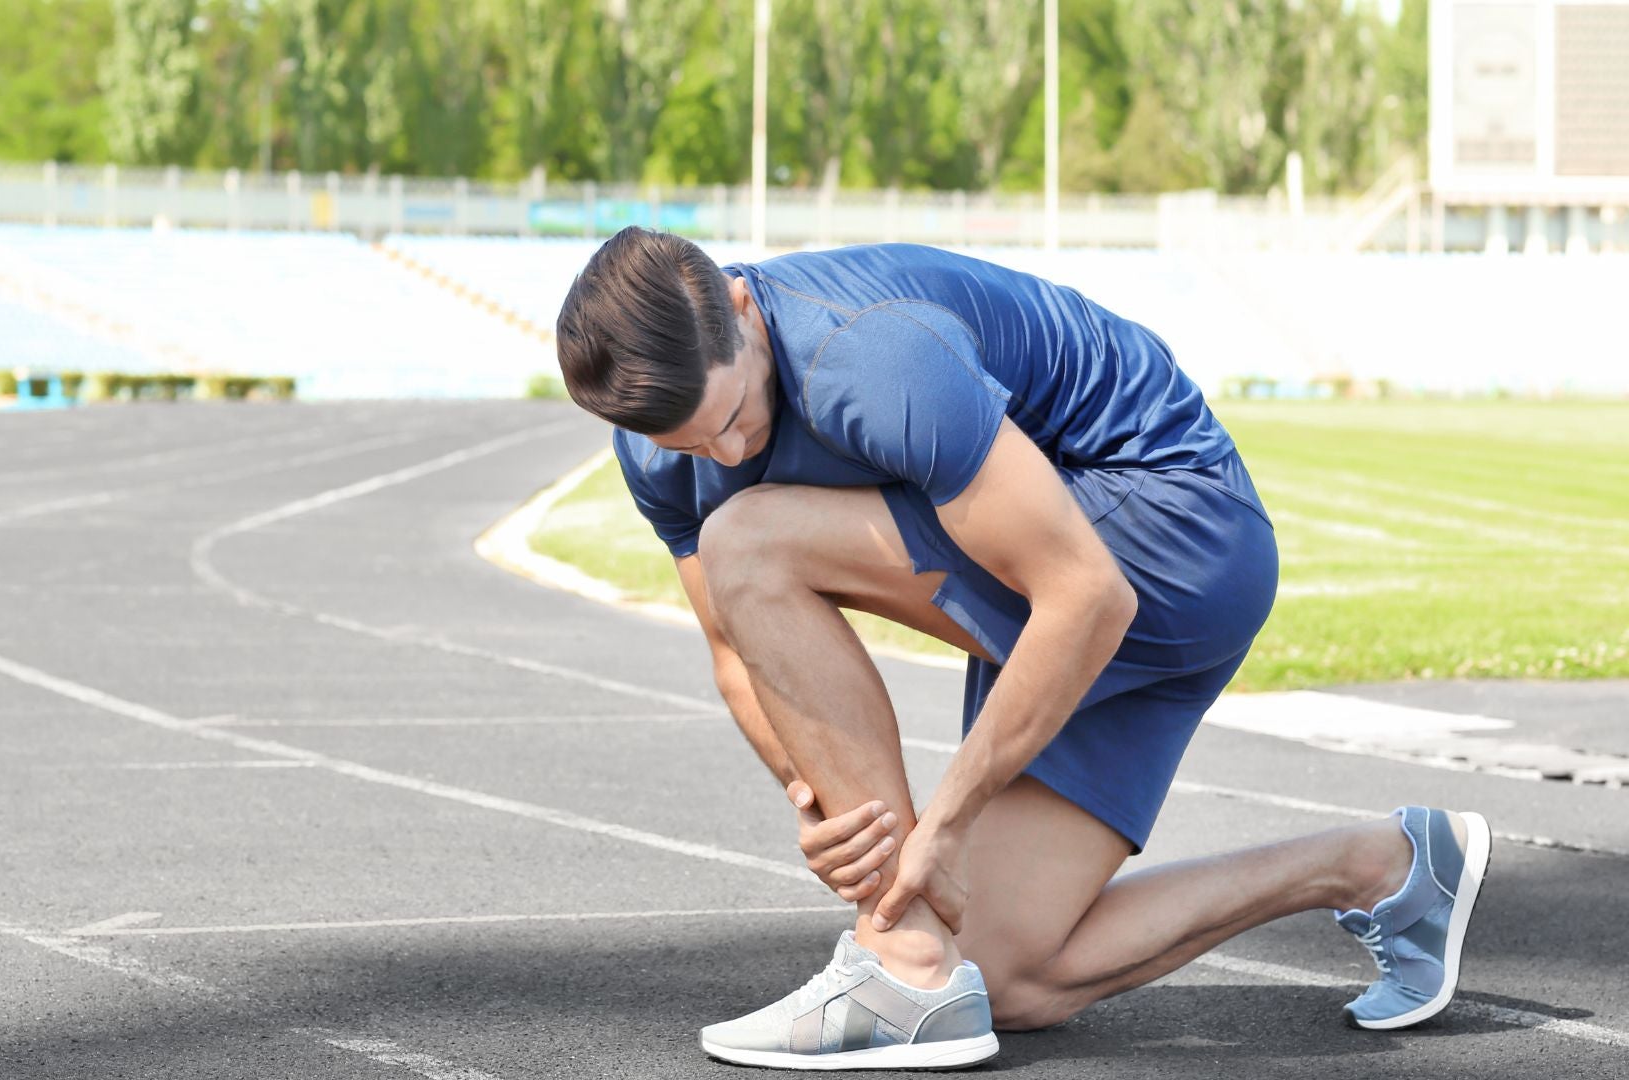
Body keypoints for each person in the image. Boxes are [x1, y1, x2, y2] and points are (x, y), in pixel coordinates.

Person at [552, 228, 1491, 1070]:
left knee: (747, 541)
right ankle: (1382, 865)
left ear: (743, 305)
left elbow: (1086, 593)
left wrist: (944, 826)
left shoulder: (868, 355)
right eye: (688, 441)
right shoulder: (661, 447)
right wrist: (816, 805)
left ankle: (897, 965)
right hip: (1068, 587)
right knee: (1004, 978)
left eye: (733, 414)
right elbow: (733, 650)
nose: (724, 452)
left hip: (1174, 535)